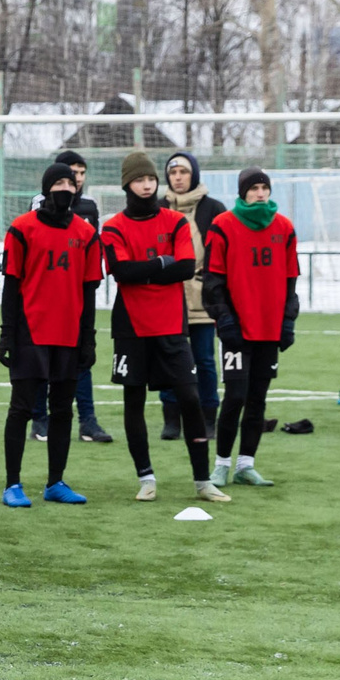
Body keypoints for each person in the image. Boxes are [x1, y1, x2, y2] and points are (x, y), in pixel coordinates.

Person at [101, 150, 226, 501]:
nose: (146, 185)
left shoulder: (175, 222)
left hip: (172, 325)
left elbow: (186, 267)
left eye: (150, 179)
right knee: (133, 401)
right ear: (127, 183)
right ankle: (146, 478)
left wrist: (147, 269)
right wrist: (160, 261)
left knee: (190, 396)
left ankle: (203, 481)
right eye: (140, 179)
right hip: (131, 327)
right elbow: (121, 273)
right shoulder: (113, 227)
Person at [0, 161, 101, 507]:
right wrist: (7, 334)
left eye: (71, 184)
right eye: (58, 184)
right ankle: (13, 484)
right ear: (45, 189)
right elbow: (11, 285)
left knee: (63, 411)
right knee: (21, 409)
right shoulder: (21, 229)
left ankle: (55, 482)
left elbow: (89, 290)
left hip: (69, 337)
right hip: (31, 332)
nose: (66, 190)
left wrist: (89, 338)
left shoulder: (87, 234)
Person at [202, 168, 300, 487]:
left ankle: (246, 465)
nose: (260, 193)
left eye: (264, 188)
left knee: (258, 398)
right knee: (235, 397)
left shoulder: (284, 228)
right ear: (242, 192)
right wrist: (225, 319)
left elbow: (290, 282)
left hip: (269, 331)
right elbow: (213, 282)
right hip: (237, 330)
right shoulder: (223, 226)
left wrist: (287, 321)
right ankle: (221, 465)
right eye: (254, 188)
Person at [25, 150, 115, 446]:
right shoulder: (38, 206)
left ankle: (87, 421)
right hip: (45, 300)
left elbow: (92, 248)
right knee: (41, 364)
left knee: (81, 364)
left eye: (81, 171)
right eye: (71, 171)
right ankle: (40, 418)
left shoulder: (89, 207)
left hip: (75, 300)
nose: (77, 177)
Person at [158, 151, 223, 439]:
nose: (178, 177)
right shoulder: (158, 208)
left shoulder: (213, 209)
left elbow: (222, 254)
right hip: (168, 299)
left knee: (205, 360)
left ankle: (208, 417)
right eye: (173, 173)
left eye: (183, 172)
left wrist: (212, 290)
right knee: (168, 360)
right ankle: (171, 419)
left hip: (202, 300)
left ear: (193, 174)